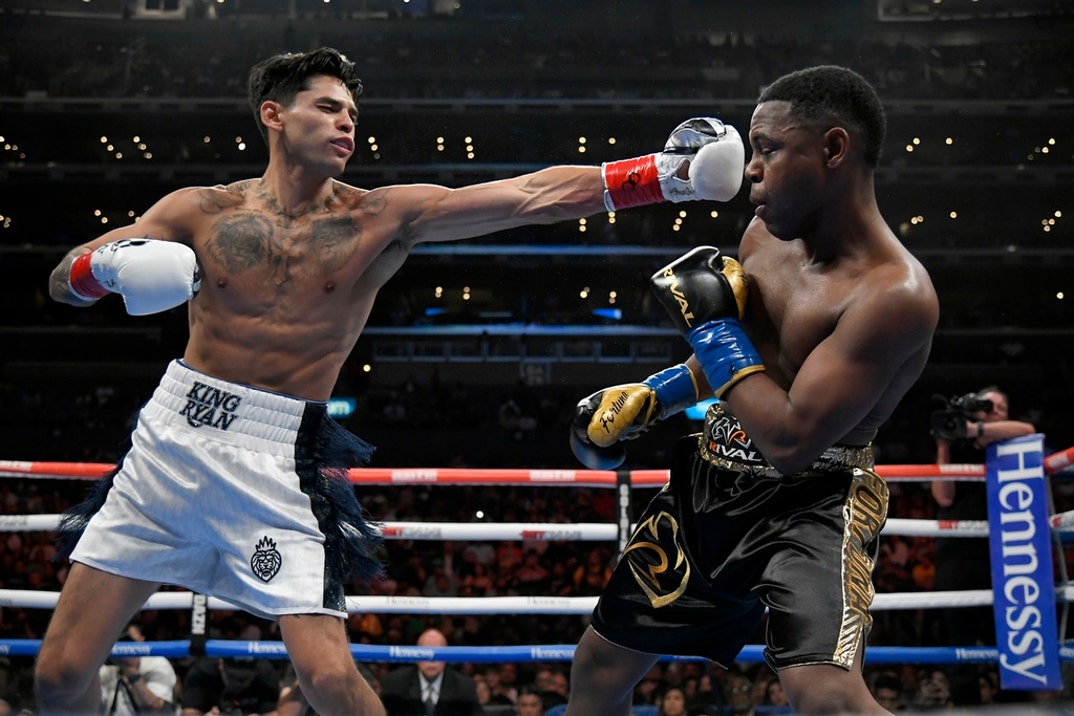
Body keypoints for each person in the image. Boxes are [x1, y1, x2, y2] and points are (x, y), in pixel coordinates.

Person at [34, 46, 746, 716]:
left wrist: (663, 174)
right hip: (170, 439)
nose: (346, 121)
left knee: (330, 678)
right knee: (59, 674)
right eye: (326, 107)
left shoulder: (378, 217)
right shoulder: (196, 210)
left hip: (276, 454)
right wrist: (103, 270)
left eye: (351, 112)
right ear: (273, 115)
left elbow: (529, 196)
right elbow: (63, 282)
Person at [565, 65, 939, 715]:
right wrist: (655, 396)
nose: (750, 170)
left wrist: (711, 326)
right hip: (711, 479)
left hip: (813, 500)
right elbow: (746, 360)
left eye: (767, 148)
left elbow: (791, 440)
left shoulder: (893, 295)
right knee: (599, 666)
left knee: (825, 697)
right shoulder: (764, 235)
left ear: (832, 149)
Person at [930, 385, 1035, 705]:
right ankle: (964, 707)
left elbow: (1028, 429)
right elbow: (943, 497)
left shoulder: (1016, 443)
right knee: (958, 635)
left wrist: (977, 427)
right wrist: (944, 447)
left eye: (1000, 407)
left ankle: (1016, 706)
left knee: (1009, 634)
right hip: (958, 553)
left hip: (1007, 550)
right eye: (988, 406)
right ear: (975, 409)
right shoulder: (960, 447)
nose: (995, 411)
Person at [378, 628, 483, 715]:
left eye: (437, 652)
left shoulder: (464, 686)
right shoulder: (395, 683)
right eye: (426, 652)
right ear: (416, 656)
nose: (432, 659)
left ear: (447, 655)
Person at [97, 625, 176, 715]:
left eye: (130, 641)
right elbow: (94, 708)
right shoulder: (107, 668)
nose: (127, 647)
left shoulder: (157, 663)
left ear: (142, 640)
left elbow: (157, 709)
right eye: (122, 642)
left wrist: (131, 671)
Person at [179, 656, 281, 716]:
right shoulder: (203, 672)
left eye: (245, 679)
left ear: (256, 672)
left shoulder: (265, 674)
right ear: (221, 665)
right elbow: (189, 712)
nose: (238, 683)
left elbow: (275, 712)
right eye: (232, 677)